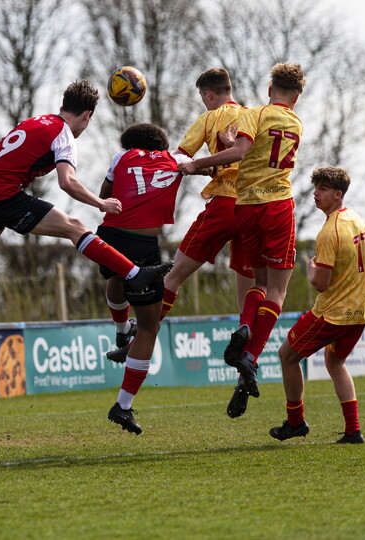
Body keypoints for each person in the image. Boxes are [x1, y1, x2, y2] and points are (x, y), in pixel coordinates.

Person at [0, 80, 172, 324]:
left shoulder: (36, 121)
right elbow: (67, 182)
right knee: (74, 227)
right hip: (0, 195)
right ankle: (134, 273)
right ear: (87, 116)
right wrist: (100, 203)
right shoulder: (63, 134)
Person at [179, 63, 306, 410]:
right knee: (278, 290)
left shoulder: (254, 113)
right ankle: (250, 352)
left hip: (246, 205)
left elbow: (239, 152)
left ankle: (245, 327)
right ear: (296, 96)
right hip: (278, 205)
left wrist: (196, 164)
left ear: (269, 90)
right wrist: (228, 149)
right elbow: (249, 151)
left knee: (258, 281)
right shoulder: (295, 122)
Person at [97, 124, 209, 434]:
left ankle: (121, 331)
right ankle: (123, 405)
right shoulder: (174, 160)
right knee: (149, 327)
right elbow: (207, 166)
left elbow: (105, 195)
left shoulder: (121, 158)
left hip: (109, 236)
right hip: (144, 245)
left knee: (117, 275)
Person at [159, 68, 256, 418]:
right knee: (248, 291)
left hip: (223, 206)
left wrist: (198, 167)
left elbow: (180, 160)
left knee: (173, 275)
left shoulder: (211, 117)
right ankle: (246, 346)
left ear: (208, 94)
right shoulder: (253, 116)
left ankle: (143, 335)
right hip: (253, 207)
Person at [269, 167, 365, 444]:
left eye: (322, 189)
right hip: (359, 312)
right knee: (335, 361)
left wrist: (309, 267)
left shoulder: (329, 232)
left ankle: (295, 422)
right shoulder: (358, 220)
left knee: (287, 356)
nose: (316, 193)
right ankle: (353, 430)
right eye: (316, 187)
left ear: (338, 194)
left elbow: (320, 283)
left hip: (332, 314)